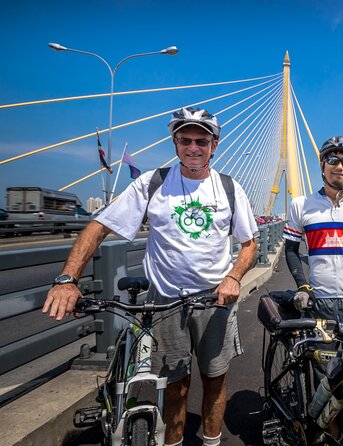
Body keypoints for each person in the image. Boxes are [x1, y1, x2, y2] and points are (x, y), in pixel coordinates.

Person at [42, 107, 259, 446]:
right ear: (174, 142)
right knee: (175, 385)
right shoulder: (153, 183)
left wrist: (234, 277)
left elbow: (249, 244)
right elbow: (99, 226)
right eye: (185, 140)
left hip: (215, 300)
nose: (193, 148)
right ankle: (172, 442)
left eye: (201, 141)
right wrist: (68, 279)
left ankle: (212, 441)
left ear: (214, 144)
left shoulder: (230, 189)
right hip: (166, 301)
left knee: (215, 380)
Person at [283, 136, 343, 440]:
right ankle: (332, 437)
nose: (340, 166)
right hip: (321, 303)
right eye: (334, 160)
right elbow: (290, 249)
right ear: (322, 165)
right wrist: (303, 285)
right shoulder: (302, 205)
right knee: (326, 381)